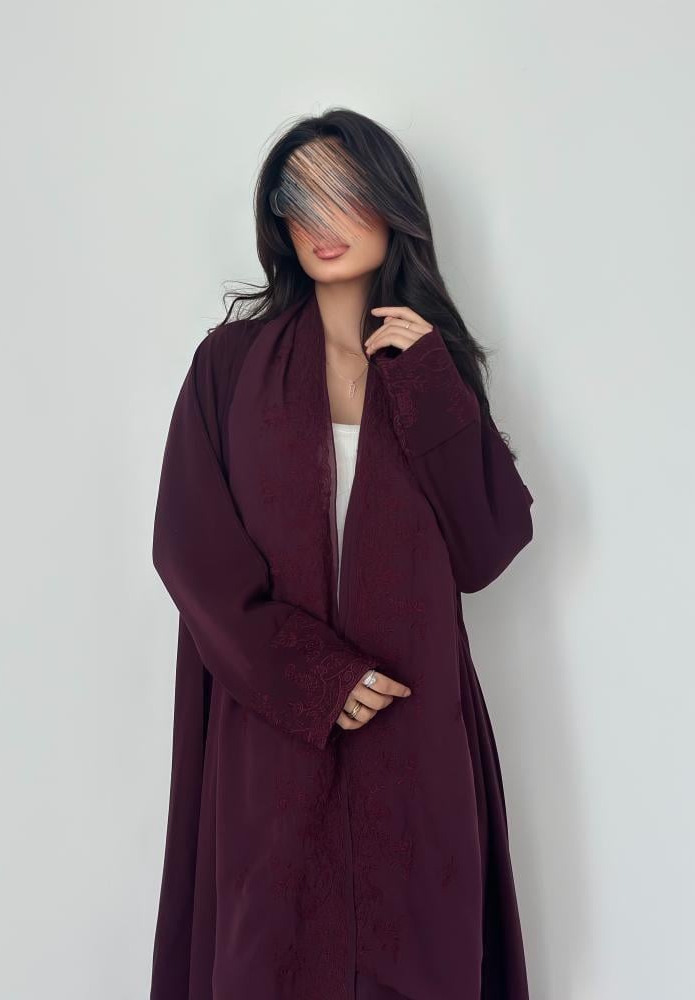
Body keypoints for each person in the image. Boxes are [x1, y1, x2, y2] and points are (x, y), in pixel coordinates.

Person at [149, 108, 535, 1000]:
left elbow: (486, 546)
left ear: (391, 204)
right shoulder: (228, 366)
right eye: (301, 199)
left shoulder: (431, 368)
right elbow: (190, 550)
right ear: (279, 221)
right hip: (273, 734)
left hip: (415, 742)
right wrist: (314, 675)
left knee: (422, 957)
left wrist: (431, 384)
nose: (322, 221)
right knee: (270, 955)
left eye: (345, 194)